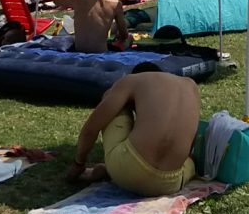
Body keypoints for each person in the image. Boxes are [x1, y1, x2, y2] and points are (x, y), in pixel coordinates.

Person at [67, 68, 200, 197]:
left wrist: (78, 164)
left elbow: (90, 130)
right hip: (169, 183)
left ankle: (115, 170)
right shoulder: (191, 86)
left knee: (111, 97)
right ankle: (112, 170)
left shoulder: (131, 81)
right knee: (190, 163)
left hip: (126, 169)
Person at [62, 0, 130, 53]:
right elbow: (124, 35)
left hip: (79, 50)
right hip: (100, 52)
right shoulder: (116, 4)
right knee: (129, 38)